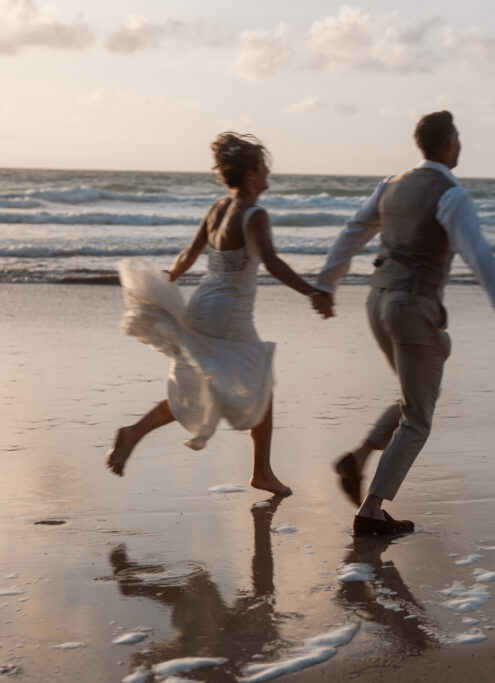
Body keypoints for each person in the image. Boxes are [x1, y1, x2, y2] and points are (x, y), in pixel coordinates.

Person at [315, 111, 495, 536]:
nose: (460, 145)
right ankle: (371, 510)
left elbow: (353, 231)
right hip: (413, 306)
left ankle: (361, 457)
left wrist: (327, 283)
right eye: (458, 138)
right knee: (418, 417)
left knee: (410, 398)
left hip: (377, 301)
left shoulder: (391, 184)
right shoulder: (452, 195)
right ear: (448, 145)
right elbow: (480, 257)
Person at [106, 132, 333, 496]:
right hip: (230, 311)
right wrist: (313, 293)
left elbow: (186, 257)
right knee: (258, 382)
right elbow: (271, 262)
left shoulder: (217, 208)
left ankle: (134, 431)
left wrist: (167, 282)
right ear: (249, 174)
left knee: (200, 382)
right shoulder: (254, 214)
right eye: (263, 166)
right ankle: (262, 473)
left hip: (203, 303)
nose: (268, 170)